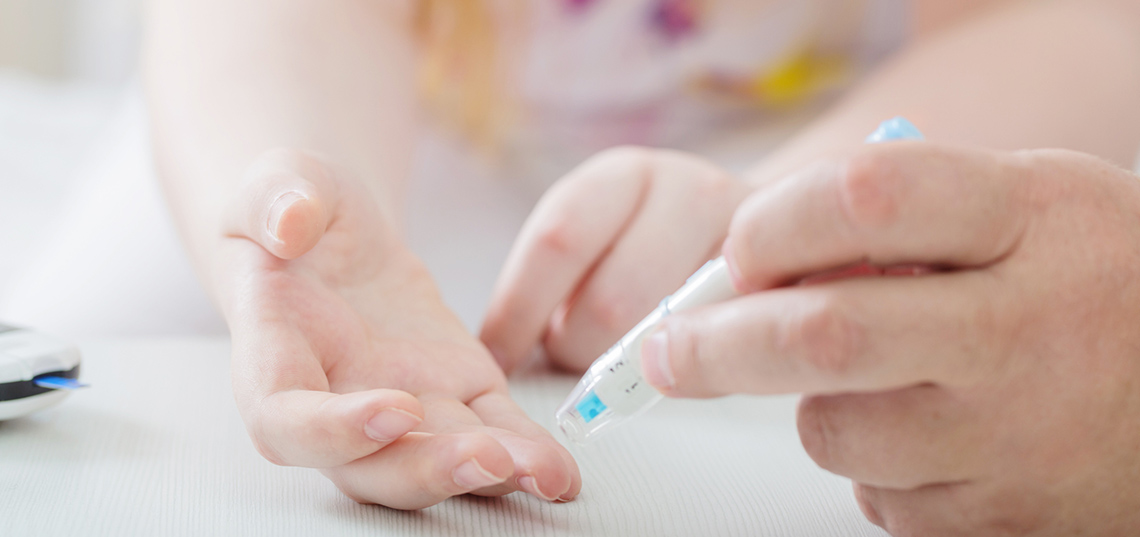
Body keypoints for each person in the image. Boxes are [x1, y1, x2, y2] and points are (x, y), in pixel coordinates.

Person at [144, 0, 1140, 532]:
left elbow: (1065, 22)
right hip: (396, 111)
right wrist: (299, 198)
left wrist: (786, 203)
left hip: (846, 117)